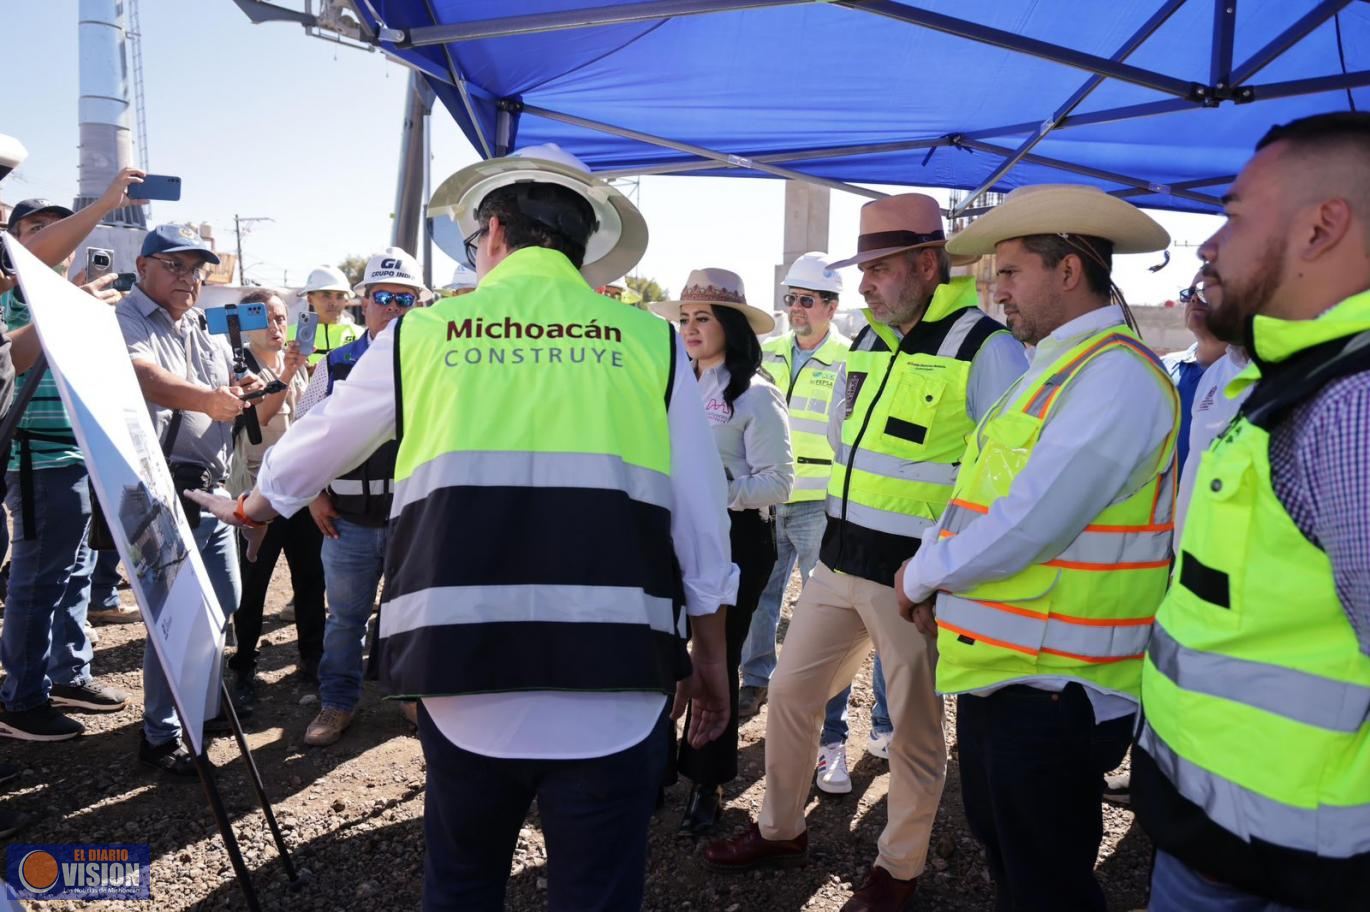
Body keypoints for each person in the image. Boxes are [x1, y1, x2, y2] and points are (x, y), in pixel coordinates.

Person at [189, 143, 736, 912]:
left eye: (476, 242)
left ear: (496, 233)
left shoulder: (420, 335)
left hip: (463, 674)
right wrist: (710, 660)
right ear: (582, 247)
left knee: (462, 885)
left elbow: (317, 443)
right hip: (616, 680)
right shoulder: (654, 346)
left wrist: (257, 504)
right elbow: (702, 525)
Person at [707, 193, 1028, 912]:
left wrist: (947, 575)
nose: (864, 284)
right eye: (863, 270)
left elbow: (1011, 487)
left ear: (926, 263)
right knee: (790, 694)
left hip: (913, 579)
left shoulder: (986, 349)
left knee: (913, 732)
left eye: (878, 268)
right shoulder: (871, 343)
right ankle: (782, 828)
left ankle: (899, 868)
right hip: (838, 561)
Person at [897, 184, 1179, 912]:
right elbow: (978, 501)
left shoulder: (1115, 375)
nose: (998, 294)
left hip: (1062, 690)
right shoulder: (1056, 370)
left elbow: (1032, 520)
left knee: (1045, 886)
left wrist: (923, 576)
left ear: (1069, 270)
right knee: (1014, 866)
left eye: (1012, 274)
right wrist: (939, 584)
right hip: (1015, 676)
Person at [1133, 112, 1370, 912]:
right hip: (1232, 842)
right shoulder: (1307, 382)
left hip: (1293, 870)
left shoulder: (1351, 410)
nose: (1207, 246)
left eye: (1233, 215)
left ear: (1321, 227)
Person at [737, 251, 891, 794]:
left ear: (831, 306)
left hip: (817, 508)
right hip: (766, 503)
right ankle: (755, 682)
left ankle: (830, 735)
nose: (795, 309)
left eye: (806, 301)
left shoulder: (853, 360)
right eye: (790, 300)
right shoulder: (767, 354)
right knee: (760, 597)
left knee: (826, 624)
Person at [116, 223, 262, 776]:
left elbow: (223, 383)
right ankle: (161, 735)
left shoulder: (197, 325)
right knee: (175, 617)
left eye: (197, 270)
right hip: (159, 490)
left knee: (222, 600)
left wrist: (238, 392)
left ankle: (198, 703)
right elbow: (142, 375)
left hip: (212, 489)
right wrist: (210, 398)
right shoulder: (127, 318)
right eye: (175, 266)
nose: (189, 278)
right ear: (144, 267)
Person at [655, 268, 792, 836]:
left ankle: (706, 783)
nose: (689, 327)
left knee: (720, 657)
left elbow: (778, 483)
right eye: (684, 318)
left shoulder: (756, 395)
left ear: (729, 326)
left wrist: (712, 493)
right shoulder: (671, 384)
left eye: (702, 317)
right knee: (666, 653)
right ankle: (655, 768)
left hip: (737, 540)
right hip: (671, 534)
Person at [0, 198, 130, 743]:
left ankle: (68, 676)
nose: (52, 236)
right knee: (38, 582)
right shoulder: (17, 296)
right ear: (15, 243)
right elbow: (21, 357)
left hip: (75, 456)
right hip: (39, 459)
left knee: (73, 575)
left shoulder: (70, 295)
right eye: (36, 230)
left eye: (58, 228)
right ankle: (21, 700)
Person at [294, 247, 428, 747]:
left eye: (406, 299)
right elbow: (304, 435)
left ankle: (409, 699)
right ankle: (337, 703)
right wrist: (312, 496)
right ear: (363, 302)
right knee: (345, 620)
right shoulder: (337, 364)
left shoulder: (437, 365)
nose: (395, 307)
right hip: (347, 521)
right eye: (384, 297)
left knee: (409, 617)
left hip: (412, 521)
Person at [225, 289, 322, 704]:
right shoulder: (238, 366)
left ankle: (313, 661)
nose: (278, 326)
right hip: (257, 495)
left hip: (301, 492)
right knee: (253, 586)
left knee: (310, 580)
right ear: (246, 323)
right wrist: (284, 375)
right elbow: (257, 423)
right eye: (266, 318)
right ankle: (244, 667)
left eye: (282, 318)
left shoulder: (297, 365)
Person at [1162, 275, 1227, 473]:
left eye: (1206, 291)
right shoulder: (1163, 368)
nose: (1194, 299)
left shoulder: (1252, 376)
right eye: (1191, 292)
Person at [290, 266, 360, 368]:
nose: (334, 303)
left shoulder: (361, 335)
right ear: (310, 299)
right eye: (326, 296)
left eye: (340, 296)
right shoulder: (289, 336)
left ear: (346, 300)